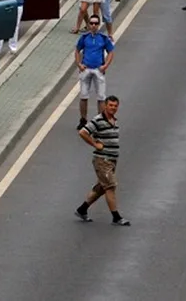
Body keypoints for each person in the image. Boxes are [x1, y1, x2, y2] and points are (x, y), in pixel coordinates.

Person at [74, 95, 129, 226]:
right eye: (110, 105)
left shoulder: (114, 120)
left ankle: (82, 209)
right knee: (110, 186)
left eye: (115, 106)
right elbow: (83, 132)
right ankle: (116, 217)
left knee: (101, 188)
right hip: (102, 159)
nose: (113, 108)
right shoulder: (98, 120)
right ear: (105, 105)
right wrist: (95, 144)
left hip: (112, 160)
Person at [75, 15, 115, 130]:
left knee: (101, 97)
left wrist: (105, 65)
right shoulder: (84, 38)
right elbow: (77, 50)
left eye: (95, 23)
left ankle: (100, 121)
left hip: (98, 69)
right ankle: (83, 119)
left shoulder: (103, 38)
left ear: (98, 25)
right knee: (83, 95)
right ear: (89, 25)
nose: (93, 25)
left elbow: (111, 52)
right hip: (86, 69)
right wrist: (79, 64)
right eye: (91, 23)